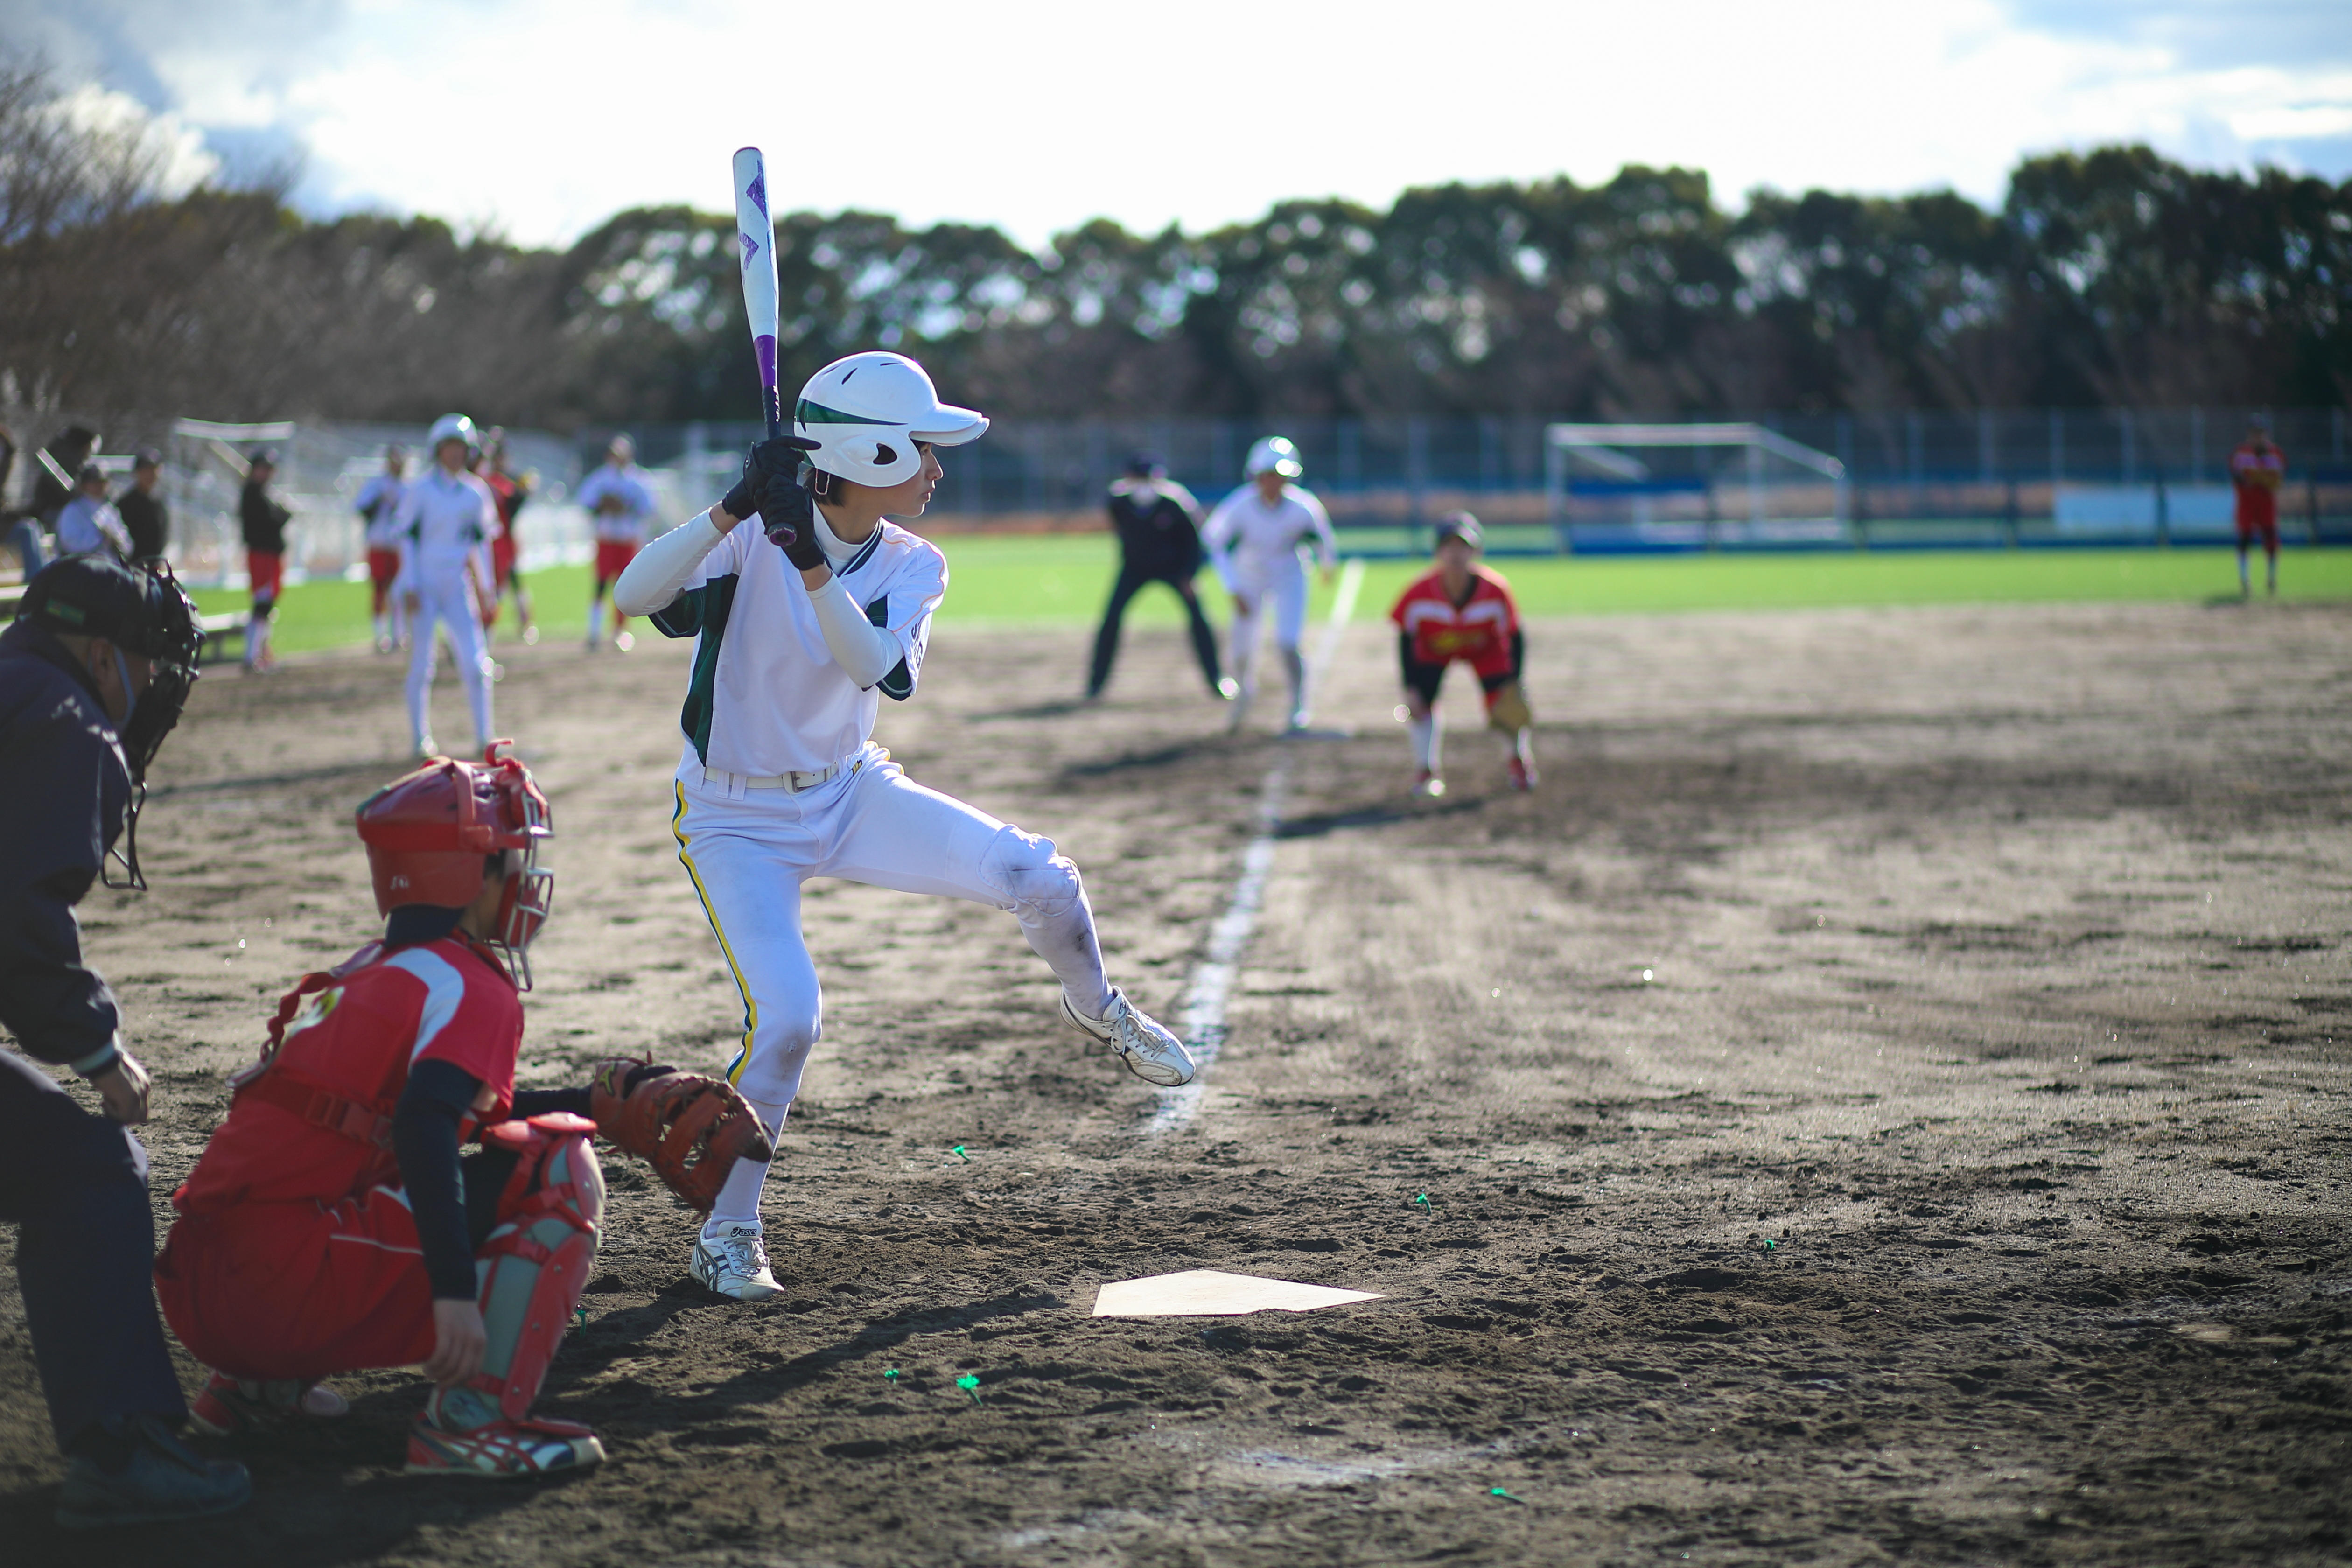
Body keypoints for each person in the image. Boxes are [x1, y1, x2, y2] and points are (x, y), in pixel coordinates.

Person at [614, 350, 1196, 1301]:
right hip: (732, 817)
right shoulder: (747, 536)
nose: (936, 469)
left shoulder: (912, 561)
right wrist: (733, 508)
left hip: (849, 791)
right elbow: (634, 598)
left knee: (1042, 877)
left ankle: (1098, 1006)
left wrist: (806, 555)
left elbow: (877, 668)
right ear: (869, 453)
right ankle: (729, 1233)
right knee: (792, 1021)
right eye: (922, 450)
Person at [154, 749, 597, 1478]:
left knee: (368, 1159)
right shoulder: (473, 986)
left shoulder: (371, 971)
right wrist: (455, 1294)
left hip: (201, 1288)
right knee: (558, 1167)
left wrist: (595, 1101)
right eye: (508, 860)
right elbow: (429, 1127)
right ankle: (469, 1425)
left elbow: (438, 1115)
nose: (522, 877)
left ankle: (255, 1388)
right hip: (275, 1292)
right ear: (466, 873)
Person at [0, 556, 245, 1527]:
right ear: (101, 655)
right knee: (93, 1169)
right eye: (145, 664)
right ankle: (116, 1450)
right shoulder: (68, 721)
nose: (149, 687)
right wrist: (97, 1050)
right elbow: (18, 924)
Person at [1388, 512, 1536, 797]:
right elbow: (1406, 638)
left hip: (1485, 649)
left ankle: (1518, 761)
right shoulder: (1419, 591)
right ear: (1437, 552)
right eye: (1449, 546)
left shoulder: (1496, 589)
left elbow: (1515, 635)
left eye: (1463, 547)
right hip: (1436, 648)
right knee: (1419, 703)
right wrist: (1409, 687)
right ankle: (1426, 771)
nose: (1456, 554)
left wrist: (1514, 681)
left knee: (1506, 704)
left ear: (1475, 551)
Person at [1201, 436, 1337, 731]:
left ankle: (1299, 704)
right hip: (1249, 576)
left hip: (1289, 573)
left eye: (1280, 476)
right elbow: (1214, 542)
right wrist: (1233, 587)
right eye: (1268, 475)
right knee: (1241, 649)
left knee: (1288, 642)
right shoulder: (1240, 505)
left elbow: (1324, 540)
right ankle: (1243, 693)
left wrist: (1327, 565)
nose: (1274, 482)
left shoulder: (1304, 508)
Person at [1086, 453, 1233, 703]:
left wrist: (1190, 575)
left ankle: (1216, 679)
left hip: (1175, 570)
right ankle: (1095, 685)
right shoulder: (1119, 503)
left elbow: (1196, 541)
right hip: (1135, 568)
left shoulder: (1175, 503)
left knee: (1199, 619)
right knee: (1110, 619)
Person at [394, 415, 498, 758]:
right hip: (423, 584)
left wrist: (487, 587)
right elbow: (406, 539)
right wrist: (408, 583)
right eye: (450, 447)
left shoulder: (475, 492)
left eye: (462, 448)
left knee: (475, 661)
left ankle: (485, 736)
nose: (456, 454)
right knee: (422, 662)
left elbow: (480, 544)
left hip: (457, 585)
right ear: (437, 450)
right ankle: (419, 738)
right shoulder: (420, 490)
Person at [576, 434, 654, 652]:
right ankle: (594, 632)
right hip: (607, 539)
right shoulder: (601, 479)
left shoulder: (638, 480)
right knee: (601, 585)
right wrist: (603, 507)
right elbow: (586, 504)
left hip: (627, 540)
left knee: (624, 588)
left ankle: (620, 631)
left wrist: (625, 508)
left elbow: (648, 509)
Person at [476, 430, 537, 645]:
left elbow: (514, 502)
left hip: (502, 542)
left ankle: (515, 624)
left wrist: (525, 489)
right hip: (488, 543)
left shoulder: (502, 481)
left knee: (504, 586)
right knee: (489, 588)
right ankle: (480, 632)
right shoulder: (484, 481)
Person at [239, 448, 293, 673]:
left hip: (270, 555)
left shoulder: (264, 494)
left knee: (267, 604)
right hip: (261, 554)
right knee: (262, 604)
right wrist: (281, 514)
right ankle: (252, 655)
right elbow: (269, 522)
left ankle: (262, 651)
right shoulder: (252, 494)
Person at [356, 445, 410, 653]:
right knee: (380, 588)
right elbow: (361, 508)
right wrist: (380, 501)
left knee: (399, 591)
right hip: (379, 543)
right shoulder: (376, 485)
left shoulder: (407, 487)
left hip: (398, 546)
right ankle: (380, 635)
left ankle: (399, 634)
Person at [2230, 416, 2287, 598]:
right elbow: (2236, 476)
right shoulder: (2241, 453)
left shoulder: (2274, 454)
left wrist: (2263, 480)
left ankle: (2271, 578)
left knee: (2271, 541)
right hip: (2247, 503)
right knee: (2244, 540)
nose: (2257, 438)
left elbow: (2278, 481)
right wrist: (2254, 479)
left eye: (2261, 434)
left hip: (2266, 504)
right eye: (2255, 434)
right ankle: (2244, 579)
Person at [54, 463, 133, 561]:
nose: (100, 486)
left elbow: (128, 545)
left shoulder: (109, 510)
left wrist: (116, 539)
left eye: (103, 482)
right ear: (84, 485)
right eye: (94, 482)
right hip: (81, 566)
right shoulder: (73, 510)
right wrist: (100, 538)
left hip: (111, 566)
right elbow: (68, 543)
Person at [115, 451, 168, 565]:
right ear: (137, 473)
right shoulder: (126, 504)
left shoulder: (159, 502)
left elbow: (162, 536)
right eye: (145, 470)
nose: (150, 475)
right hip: (130, 568)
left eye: (153, 470)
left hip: (153, 566)